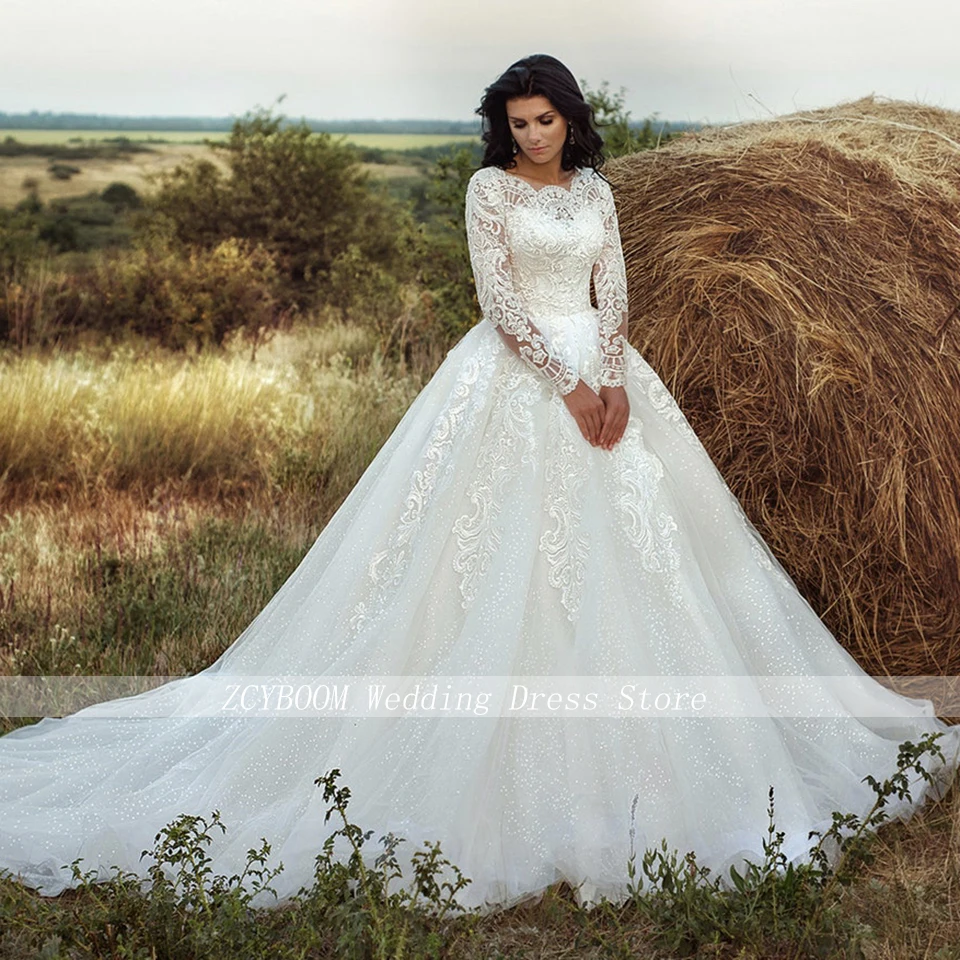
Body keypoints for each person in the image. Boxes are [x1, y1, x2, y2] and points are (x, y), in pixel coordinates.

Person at [0, 53, 958, 917]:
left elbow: (614, 285)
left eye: (542, 119)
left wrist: (617, 377)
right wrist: (571, 384)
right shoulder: (487, 192)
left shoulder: (597, 191)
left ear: (570, 121)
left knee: (649, 555)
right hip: (522, 375)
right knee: (484, 563)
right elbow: (499, 300)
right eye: (515, 121)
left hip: (610, 372)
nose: (528, 134)